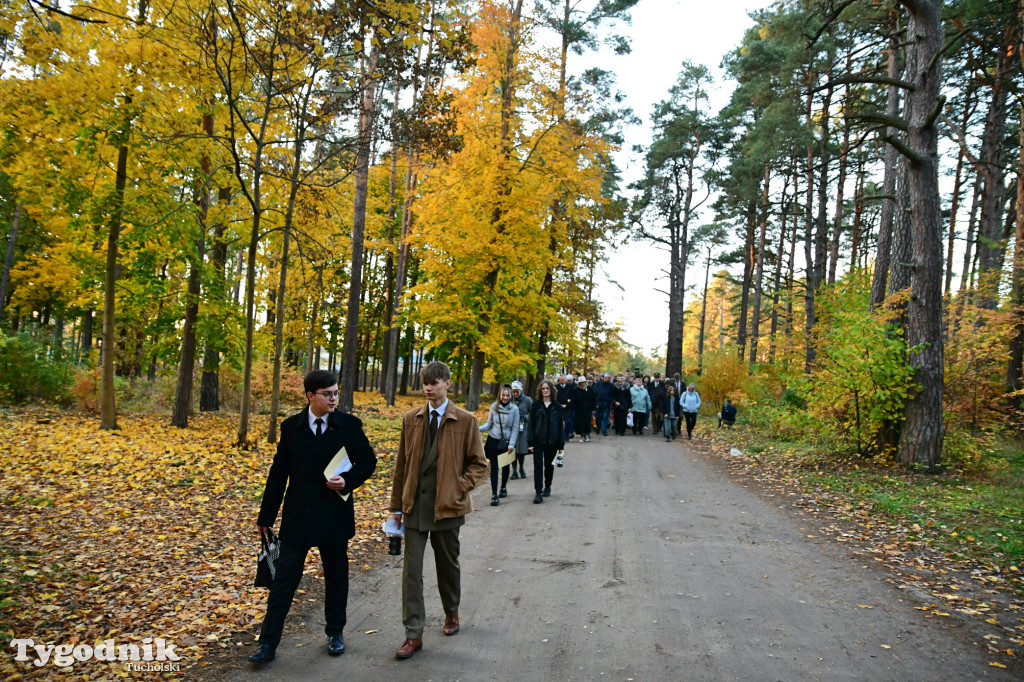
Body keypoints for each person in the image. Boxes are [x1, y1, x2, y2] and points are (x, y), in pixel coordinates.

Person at [249, 370, 378, 665]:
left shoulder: (349, 425)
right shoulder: (291, 427)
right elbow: (278, 472)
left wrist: (348, 480)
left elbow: (368, 461)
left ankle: (335, 633)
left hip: (334, 516)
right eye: (328, 394)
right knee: (284, 581)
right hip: (298, 518)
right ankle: (268, 643)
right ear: (310, 396)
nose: (334, 399)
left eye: (336, 393)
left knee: (336, 578)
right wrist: (266, 515)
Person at [390, 361, 488, 660]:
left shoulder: (465, 420)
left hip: (447, 507)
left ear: (447, 383)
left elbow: (480, 464)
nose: (428, 387)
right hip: (416, 508)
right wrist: (396, 507)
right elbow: (402, 466)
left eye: (434, 382)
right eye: (425, 382)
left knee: (448, 566)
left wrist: (458, 487)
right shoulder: (411, 419)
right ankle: (413, 634)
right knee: (412, 573)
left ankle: (451, 612)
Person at [479, 384, 519, 506]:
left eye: (507, 395)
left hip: (506, 443)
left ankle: (503, 487)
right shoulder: (494, 407)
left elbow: (515, 428)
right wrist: (477, 428)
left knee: (506, 467)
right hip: (494, 440)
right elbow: (489, 424)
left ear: (511, 396)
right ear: (500, 395)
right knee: (494, 468)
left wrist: (511, 444)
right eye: (503, 395)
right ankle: (494, 495)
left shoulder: (514, 410)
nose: (505, 398)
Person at [527, 380, 565, 502]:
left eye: (547, 388)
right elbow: (531, 425)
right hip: (538, 440)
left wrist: (561, 445)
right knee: (537, 467)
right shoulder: (536, 405)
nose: (545, 391)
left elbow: (560, 426)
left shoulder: (557, 406)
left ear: (551, 390)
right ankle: (538, 492)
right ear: (540, 390)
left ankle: (547, 486)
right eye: (543, 389)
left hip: (552, 441)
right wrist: (530, 442)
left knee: (549, 466)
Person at [510, 381, 532, 479]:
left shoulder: (527, 400)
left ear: (520, 391)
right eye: (513, 392)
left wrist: (526, 417)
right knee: (513, 450)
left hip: (523, 429)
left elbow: (533, 413)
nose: (515, 394)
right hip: (512, 428)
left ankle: (521, 468)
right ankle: (514, 471)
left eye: (517, 392)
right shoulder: (510, 400)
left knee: (521, 450)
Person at [572, 375, 596, 442]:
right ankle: (582, 436)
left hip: (588, 409)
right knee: (580, 423)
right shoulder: (576, 390)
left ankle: (587, 434)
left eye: (583, 382)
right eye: (581, 382)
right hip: (579, 410)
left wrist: (594, 408)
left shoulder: (590, 389)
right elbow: (574, 400)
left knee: (587, 422)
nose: (582, 384)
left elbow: (593, 399)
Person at [556, 374, 576, 441]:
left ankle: (566, 435)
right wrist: (560, 405)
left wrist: (567, 404)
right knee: (558, 422)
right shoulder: (556, 387)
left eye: (563, 380)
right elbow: (554, 398)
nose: (562, 381)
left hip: (568, 407)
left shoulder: (570, 387)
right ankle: (559, 436)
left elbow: (572, 397)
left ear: (565, 380)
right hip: (559, 407)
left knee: (568, 421)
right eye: (561, 380)